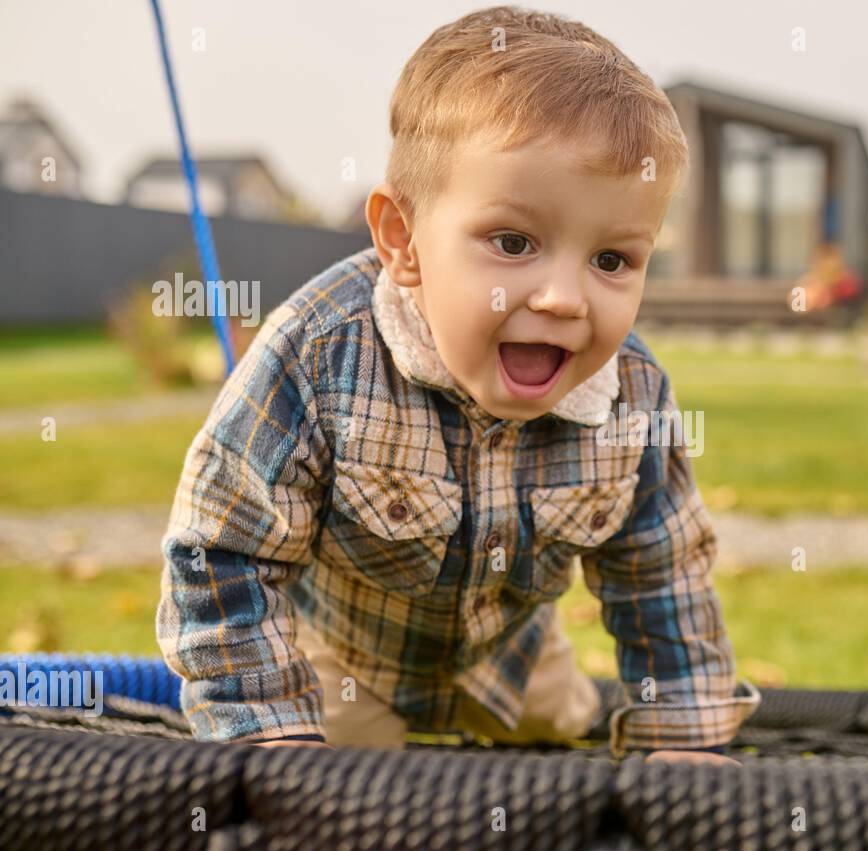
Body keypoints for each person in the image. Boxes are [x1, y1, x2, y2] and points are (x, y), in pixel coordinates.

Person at [155, 5, 759, 767]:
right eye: (513, 243)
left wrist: (684, 740)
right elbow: (222, 550)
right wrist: (270, 726)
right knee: (343, 800)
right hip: (347, 665)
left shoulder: (629, 395)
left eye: (612, 260)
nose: (565, 299)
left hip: (512, 660)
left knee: (560, 726)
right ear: (403, 241)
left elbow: (662, 574)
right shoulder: (319, 356)